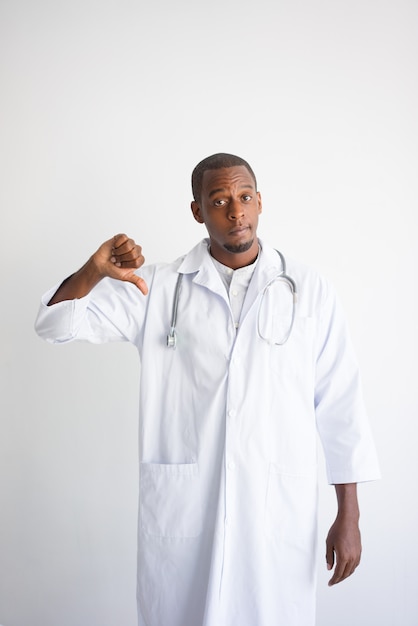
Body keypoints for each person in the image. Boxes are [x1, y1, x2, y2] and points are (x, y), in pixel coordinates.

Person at [35, 153, 380, 626]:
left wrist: (350, 515)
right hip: (185, 515)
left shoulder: (307, 288)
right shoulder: (155, 287)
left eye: (243, 198)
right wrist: (94, 271)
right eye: (219, 201)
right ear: (198, 211)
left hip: (274, 514)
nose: (235, 212)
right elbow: (53, 324)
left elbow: (341, 404)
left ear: (260, 202)